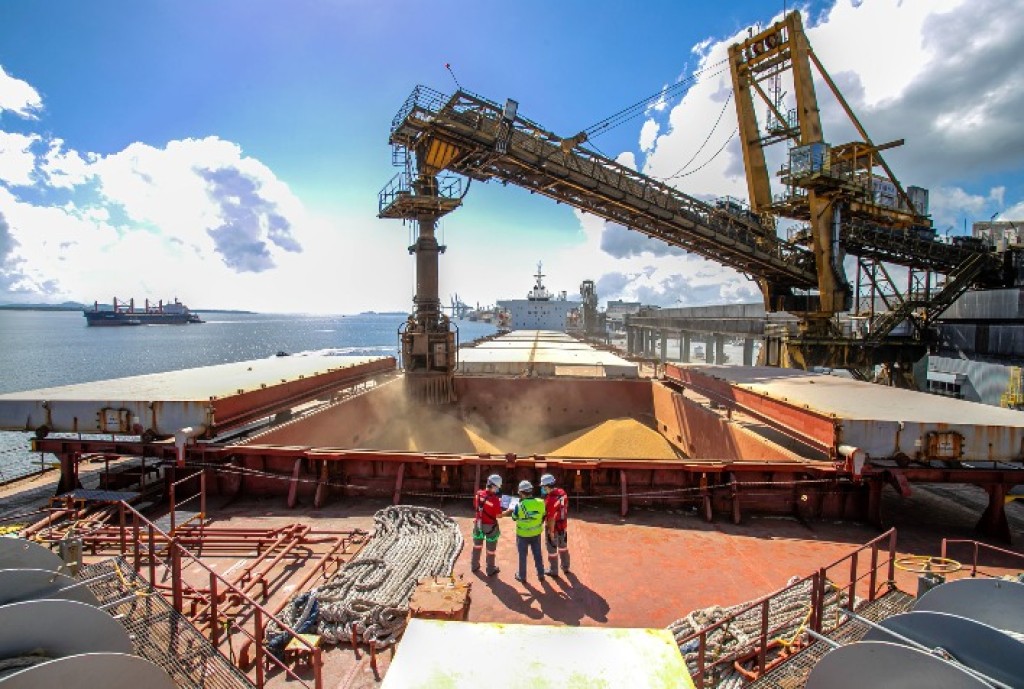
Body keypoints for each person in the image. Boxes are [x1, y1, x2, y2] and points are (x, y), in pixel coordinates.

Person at [504, 479, 546, 584]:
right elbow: (543, 515)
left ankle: (522, 576)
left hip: (522, 535)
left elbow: (514, 518)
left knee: (522, 555)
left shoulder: (519, 506)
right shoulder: (541, 502)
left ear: (521, 493)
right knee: (537, 554)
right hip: (536, 533)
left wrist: (511, 510)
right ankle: (541, 574)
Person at [471, 474, 504, 576]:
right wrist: (508, 511)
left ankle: (474, 566)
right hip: (490, 527)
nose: (497, 489)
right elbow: (498, 515)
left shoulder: (478, 494)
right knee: (491, 550)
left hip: (478, 524)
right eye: (497, 487)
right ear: (494, 486)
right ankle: (490, 569)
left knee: (477, 546)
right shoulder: (495, 500)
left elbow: (476, 506)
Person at [540, 473, 570, 576]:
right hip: (563, 525)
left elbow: (551, 518)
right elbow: (565, 506)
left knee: (552, 549)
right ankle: (565, 566)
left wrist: (551, 532)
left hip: (554, 528)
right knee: (563, 547)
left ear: (547, 486)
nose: (543, 489)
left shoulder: (551, 500)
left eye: (543, 487)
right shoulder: (562, 492)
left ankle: (553, 570)